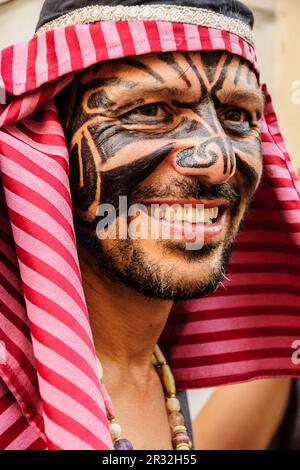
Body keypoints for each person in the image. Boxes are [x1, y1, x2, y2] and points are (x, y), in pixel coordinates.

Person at [0, 0, 299, 450]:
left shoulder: (156, 371)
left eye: (238, 116)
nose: (217, 161)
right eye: (150, 112)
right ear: (51, 141)